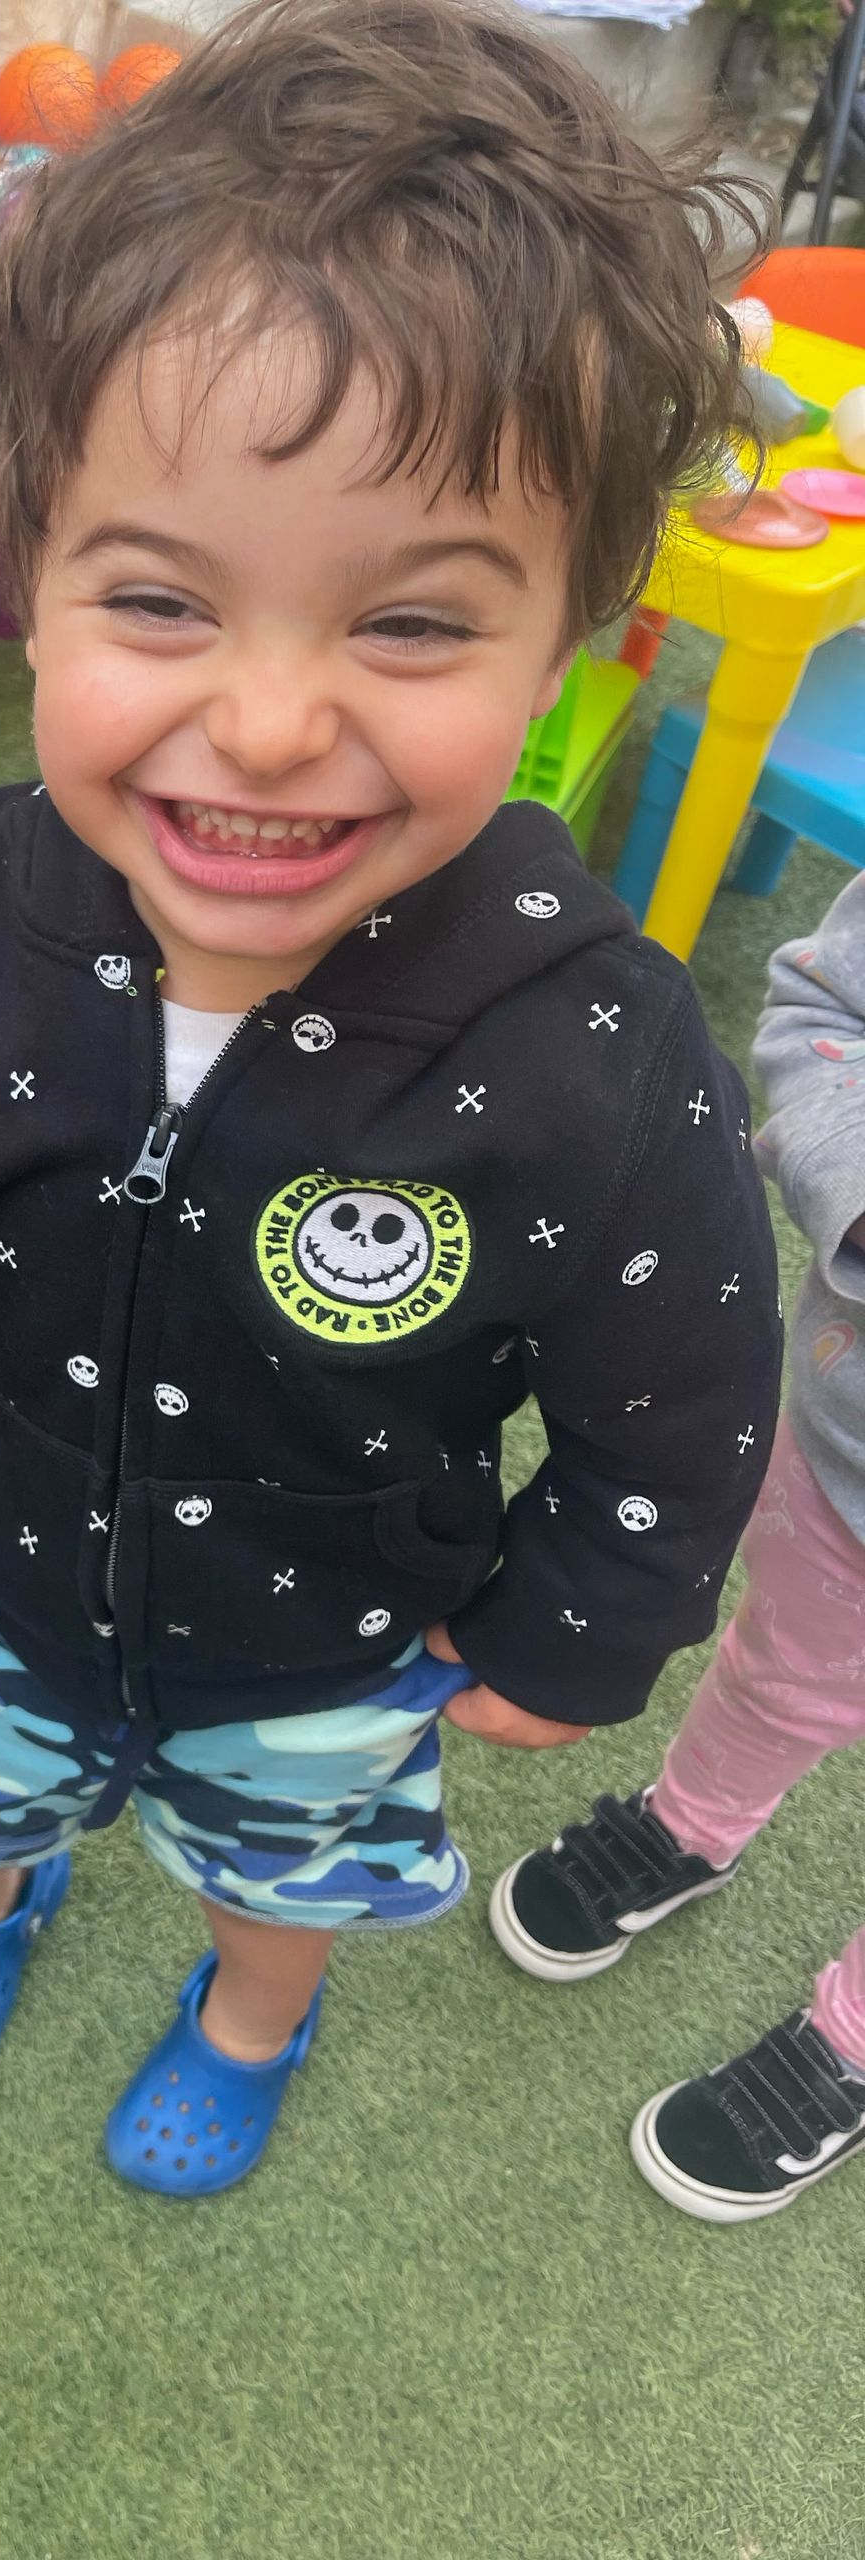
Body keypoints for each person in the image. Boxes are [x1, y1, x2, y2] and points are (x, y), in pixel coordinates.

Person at [0, 0, 782, 2195]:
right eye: (158, 596)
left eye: (413, 625)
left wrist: (576, 1626)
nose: (261, 721)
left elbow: (688, 1386)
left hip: (332, 1645)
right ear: (28, 565)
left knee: (289, 1877)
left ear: (579, 623)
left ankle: (248, 2017)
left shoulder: (597, 1044)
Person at [493, 874, 865, 2222]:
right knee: (780, 1671)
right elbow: (830, 1008)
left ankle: (854, 2038)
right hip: (850, 1465)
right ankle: (697, 1825)